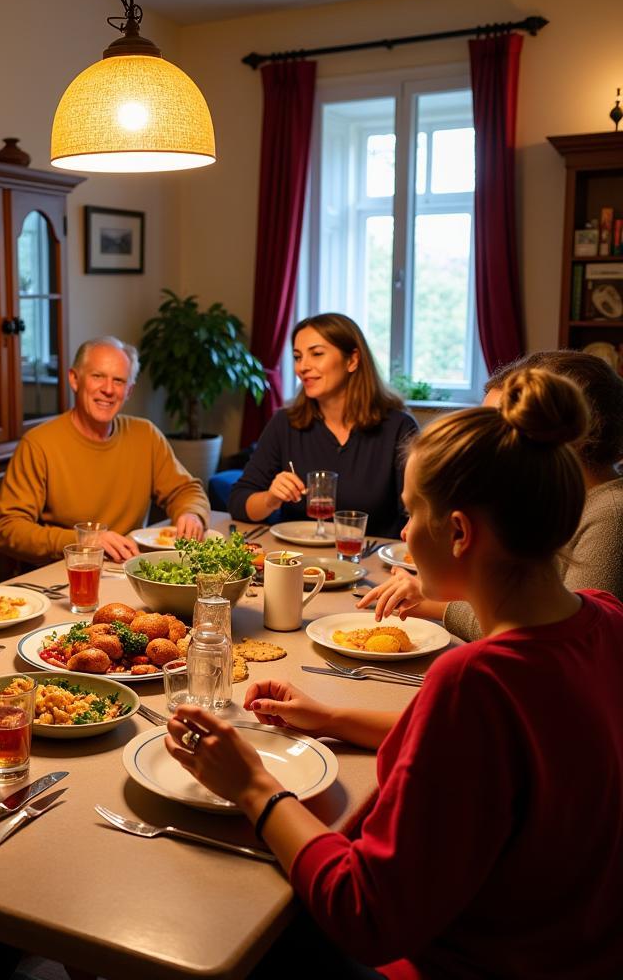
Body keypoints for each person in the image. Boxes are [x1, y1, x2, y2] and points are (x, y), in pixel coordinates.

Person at [165, 367, 623, 978]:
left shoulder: (473, 681)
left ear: (459, 532)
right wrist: (329, 717)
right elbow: (496, 751)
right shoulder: (605, 619)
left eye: (410, 514)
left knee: (229, 922)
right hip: (579, 949)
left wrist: (251, 785)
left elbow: (366, 914)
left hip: (472, 964)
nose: (403, 534)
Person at [360, 349, 623, 636]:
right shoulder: (543, 503)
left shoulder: (610, 512)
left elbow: (556, 639)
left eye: (499, 429)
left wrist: (439, 603)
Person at [0, 336, 210, 564]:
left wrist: (191, 514)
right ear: (74, 380)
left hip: (128, 570)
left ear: (129, 391)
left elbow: (185, 491)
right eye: (97, 376)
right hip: (65, 576)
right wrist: (84, 541)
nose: (108, 389)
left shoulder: (146, 435)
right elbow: (7, 529)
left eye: (118, 381)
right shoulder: (38, 444)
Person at [228, 313, 417, 539]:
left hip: (371, 562)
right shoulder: (284, 423)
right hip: (297, 562)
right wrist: (271, 498)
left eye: (316, 354)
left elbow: (418, 513)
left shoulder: (399, 428)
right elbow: (239, 502)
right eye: (298, 357)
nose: (302, 367)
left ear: (352, 360)